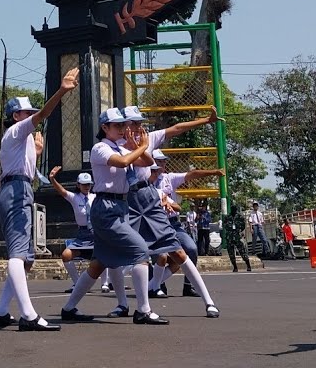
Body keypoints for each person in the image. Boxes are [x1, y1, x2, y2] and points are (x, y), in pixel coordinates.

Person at [56, 106, 167, 326]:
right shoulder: (100, 148)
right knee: (141, 251)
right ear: (105, 127)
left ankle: (68, 308)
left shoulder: (123, 147)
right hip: (106, 207)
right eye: (118, 125)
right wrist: (142, 146)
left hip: (120, 206)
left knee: (98, 264)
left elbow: (145, 162)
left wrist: (136, 145)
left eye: (124, 125)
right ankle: (143, 310)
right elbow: (124, 163)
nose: (123, 129)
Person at [0, 69, 77, 331]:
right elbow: (44, 115)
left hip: (20, 188)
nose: (31, 117)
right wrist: (61, 90)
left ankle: (2, 312)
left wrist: (37, 152)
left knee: (27, 258)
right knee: (17, 254)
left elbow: (25, 169)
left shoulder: (23, 140)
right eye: (27, 113)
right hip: (15, 191)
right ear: (16, 116)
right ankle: (28, 315)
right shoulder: (17, 130)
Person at [121, 105, 220, 317]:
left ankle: (208, 301)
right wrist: (135, 146)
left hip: (147, 197)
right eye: (133, 123)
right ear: (123, 125)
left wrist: (205, 121)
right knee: (114, 255)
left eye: (140, 123)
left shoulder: (148, 138)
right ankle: (125, 304)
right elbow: (132, 162)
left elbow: (177, 128)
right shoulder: (115, 145)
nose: (138, 127)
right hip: (126, 200)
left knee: (179, 251)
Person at [155, 161, 224, 296]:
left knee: (191, 249)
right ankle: (158, 285)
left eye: (163, 162)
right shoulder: (144, 182)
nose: (161, 165)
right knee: (160, 255)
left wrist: (214, 172)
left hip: (173, 223)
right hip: (156, 224)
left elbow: (192, 174)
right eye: (158, 162)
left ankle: (188, 285)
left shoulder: (169, 178)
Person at [48, 166, 95, 292]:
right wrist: (52, 179)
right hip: (82, 233)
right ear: (78, 185)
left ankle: (106, 283)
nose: (86, 187)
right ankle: (78, 283)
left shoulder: (95, 197)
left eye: (88, 184)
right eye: (84, 184)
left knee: (104, 256)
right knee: (66, 255)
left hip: (95, 232)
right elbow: (62, 191)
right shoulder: (75, 198)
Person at [223, 205, 251, 272]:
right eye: (232, 209)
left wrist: (239, 231)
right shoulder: (227, 217)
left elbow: (243, 226)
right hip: (229, 237)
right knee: (231, 254)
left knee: (242, 251)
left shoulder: (240, 217)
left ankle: (248, 265)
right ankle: (235, 267)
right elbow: (224, 225)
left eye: (235, 209)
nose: (234, 210)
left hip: (237, 237)